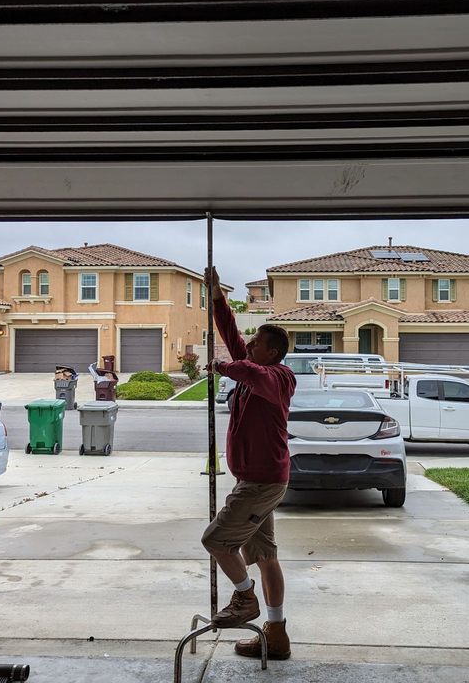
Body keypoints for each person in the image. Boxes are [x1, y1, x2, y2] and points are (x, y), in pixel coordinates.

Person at [200, 265, 296, 660]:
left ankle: (245, 599)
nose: (248, 346)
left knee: (216, 540)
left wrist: (221, 367)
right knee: (265, 555)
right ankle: (275, 635)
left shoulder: (278, 377)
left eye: (256, 343)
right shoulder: (254, 367)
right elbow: (230, 336)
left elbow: (245, 368)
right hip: (258, 480)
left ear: (270, 352)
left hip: (261, 482)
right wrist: (217, 296)